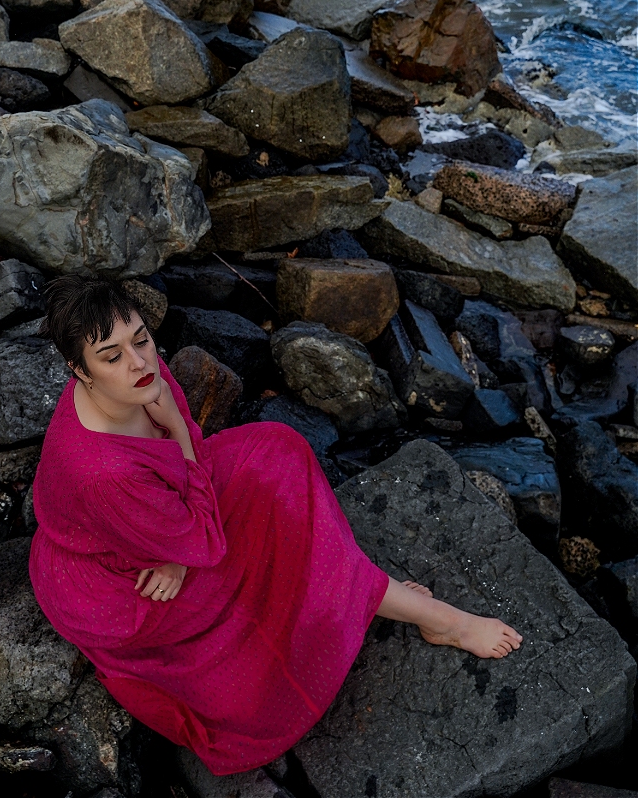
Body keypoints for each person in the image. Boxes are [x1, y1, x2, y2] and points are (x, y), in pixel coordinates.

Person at [29, 275, 522, 776]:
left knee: (278, 450)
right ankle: (432, 616)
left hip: (166, 526)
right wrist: (177, 534)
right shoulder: (103, 472)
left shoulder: (140, 382)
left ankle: (361, 589)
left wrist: (178, 537)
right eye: (111, 356)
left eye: (140, 339)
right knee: (263, 597)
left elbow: (192, 460)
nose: (137, 361)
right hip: (124, 584)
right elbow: (200, 530)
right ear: (79, 370)